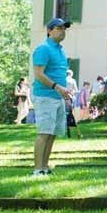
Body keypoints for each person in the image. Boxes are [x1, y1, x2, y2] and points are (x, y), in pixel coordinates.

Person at [31, 18, 74, 176]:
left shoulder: (60, 50)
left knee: (52, 133)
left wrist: (64, 90)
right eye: (59, 28)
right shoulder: (43, 49)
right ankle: (37, 169)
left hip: (57, 97)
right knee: (44, 133)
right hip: (45, 96)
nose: (63, 31)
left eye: (64, 28)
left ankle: (45, 167)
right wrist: (56, 87)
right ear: (49, 31)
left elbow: (57, 73)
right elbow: (38, 75)